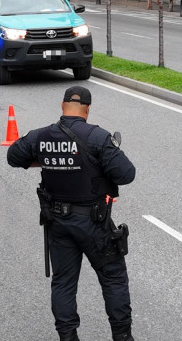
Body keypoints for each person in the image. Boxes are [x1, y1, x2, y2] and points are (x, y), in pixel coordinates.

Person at [7, 86, 136, 341]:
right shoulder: (97, 137)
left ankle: (68, 337)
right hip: (94, 223)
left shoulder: (40, 137)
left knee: (63, 283)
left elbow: (13, 156)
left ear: (62, 105)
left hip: (58, 221)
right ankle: (122, 337)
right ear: (87, 109)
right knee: (113, 279)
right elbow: (126, 174)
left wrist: (45, 159)